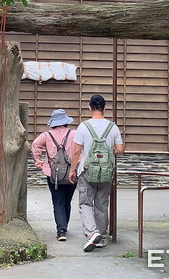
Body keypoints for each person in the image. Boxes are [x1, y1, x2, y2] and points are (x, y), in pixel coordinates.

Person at [68, 94, 124, 252]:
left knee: (85, 203)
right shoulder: (112, 127)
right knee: (101, 203)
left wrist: (72, 170)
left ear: (89, 107)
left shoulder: (83, 126)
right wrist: (110, 151)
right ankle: (101, 237)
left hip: (87, 171)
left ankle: (92, 233)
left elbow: (76, 151)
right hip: (106, 172)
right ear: (104, 108)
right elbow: (120, 149)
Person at [32, 108, 77, 241]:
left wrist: (38, 161)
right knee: (67, 201)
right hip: (71, 172)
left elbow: (35, 145)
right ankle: (65, 225)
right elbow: (80, 149)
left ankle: (61, 230)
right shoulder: (74, 133)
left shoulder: (46, 135)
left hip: (53, 173)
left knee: (58, 201)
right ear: (66, 122)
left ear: (53, 122)